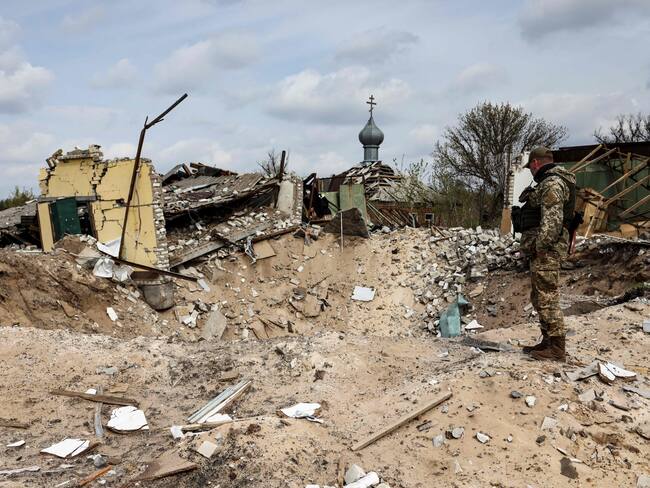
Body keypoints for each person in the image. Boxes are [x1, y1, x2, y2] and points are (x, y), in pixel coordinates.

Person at [518, 146, 576, 361]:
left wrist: (540, 247)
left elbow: (552, 222)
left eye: (530, 168)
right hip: (544, 250)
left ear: (535, 163)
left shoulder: (552, 183)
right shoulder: (552, 181)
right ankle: (548, 341)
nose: (531, 172)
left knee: (547, 297)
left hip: (547, 251)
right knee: (539, 296)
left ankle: (557, 349)